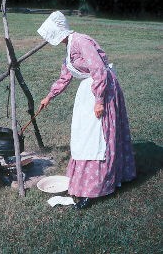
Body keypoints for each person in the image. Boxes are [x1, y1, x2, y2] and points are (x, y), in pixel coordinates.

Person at [37, 11, 136, 209]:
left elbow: (98, 69)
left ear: (58, 31)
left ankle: (95, 187)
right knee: (83, 135)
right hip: (88, 91)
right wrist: (49, 96)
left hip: (101, 89)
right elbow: (65, 77)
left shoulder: (81, 41)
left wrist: (99, 100)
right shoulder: (68, 48)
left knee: (95, 137)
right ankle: (84, 182)